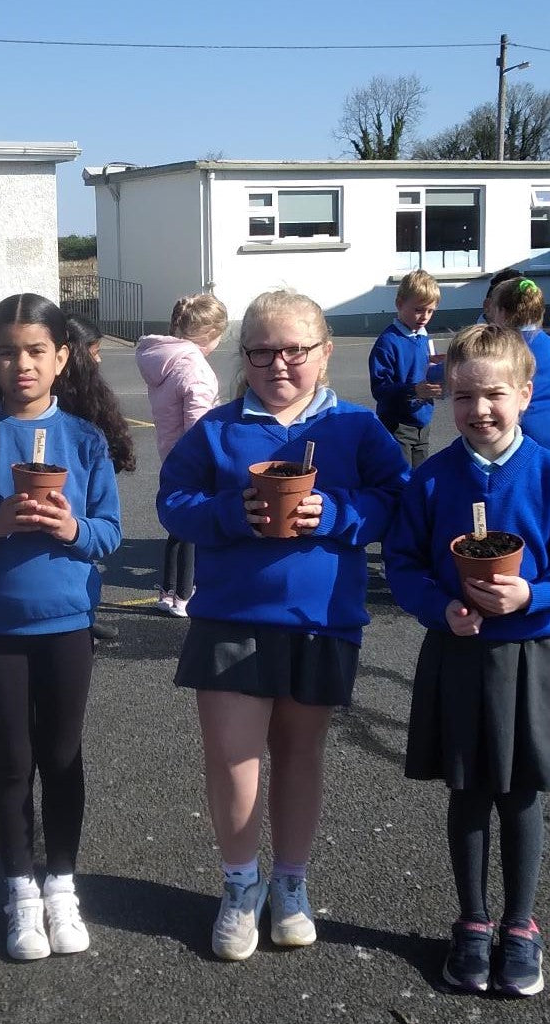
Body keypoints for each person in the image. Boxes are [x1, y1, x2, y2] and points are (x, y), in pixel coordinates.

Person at [158, 289, 407, 962]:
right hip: (230, 616)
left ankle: (289, 883)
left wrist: (330, 512)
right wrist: (232, 514)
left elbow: (394, 499)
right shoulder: (216, 428)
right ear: (243, 356)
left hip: (320, 618)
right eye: (261, 350)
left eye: (294, 348)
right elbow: (173, 503)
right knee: (232, 758)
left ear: (324, 352)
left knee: (299, 754)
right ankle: (241, 885)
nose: (277, 362)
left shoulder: (356, 428)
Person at [0, 294, 123, 961]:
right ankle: (19, 888)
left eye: (36, 350)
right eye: (8, 351)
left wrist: (69, 526)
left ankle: (61, 883)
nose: (22, 363)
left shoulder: (84, 438)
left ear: (61, 357)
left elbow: (108, 531)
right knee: (12, 758)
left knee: (62, 754)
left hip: (67, 618)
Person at [384, 324, 549, 998]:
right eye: (462, 396)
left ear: (524, 392)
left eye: (493, 395)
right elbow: (400, 564)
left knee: (520, 792)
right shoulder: (429, 479)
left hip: (528, 654)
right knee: (467, 790)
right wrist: (437, 606)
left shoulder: (543, 471)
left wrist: (531, 595)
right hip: (457, 653)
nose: (477, 409)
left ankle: (518, 924)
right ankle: (472, 921)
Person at [136, 294, 227, 616]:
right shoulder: (195, 368)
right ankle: (185, 596)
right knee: (192, 525)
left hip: (169, 449)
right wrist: (212, 459)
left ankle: (168, 591)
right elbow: (199, 423)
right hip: (192, 456)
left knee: (177, 525)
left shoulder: (162, 358)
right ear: (211, 335)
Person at [65, 312, 136, 641]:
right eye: (94, 351)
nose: (99, 357)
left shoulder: (86, 391)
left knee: (88, 535)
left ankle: (86, 613)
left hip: (88, 479)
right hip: (67, 483)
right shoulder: (61, 396)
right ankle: (81, 613)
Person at [368, 269, 442, 468]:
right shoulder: (388, 342)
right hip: (397, 423)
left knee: (420, 476)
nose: (424, 317)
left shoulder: (423, 336)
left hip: (422, 421)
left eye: (430, 311)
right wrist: (414, 390)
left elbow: (426, 370)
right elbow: (380, 389)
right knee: (401, 477)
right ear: (400, 304)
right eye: (418, 309)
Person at [490, 277, 550, 448]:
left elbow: (461, 366)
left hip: (520, 437)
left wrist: (429, 370)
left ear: (503, 312)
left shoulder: (500, 348)